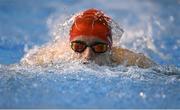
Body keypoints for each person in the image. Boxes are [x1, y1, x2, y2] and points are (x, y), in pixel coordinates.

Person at [21, 8, 156, 68]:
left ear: (109, 48)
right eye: (79, 46)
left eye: (99, 47)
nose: (87, 55)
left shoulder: (128, 60)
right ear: (70, 45)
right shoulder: (53, 55)